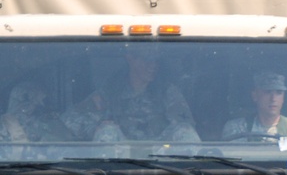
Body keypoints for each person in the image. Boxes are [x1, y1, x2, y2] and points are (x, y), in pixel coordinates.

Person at [63, 45, 200, 142]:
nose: (152, 66)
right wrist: (98, 127)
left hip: (162, 157)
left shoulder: (167, 91)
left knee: (185, 131)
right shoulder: (111, 91)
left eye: (155, 60)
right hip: (117, 162)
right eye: (146, 59)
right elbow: (71, 122)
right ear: (130, 59)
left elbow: (185, 126)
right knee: (107, 131)